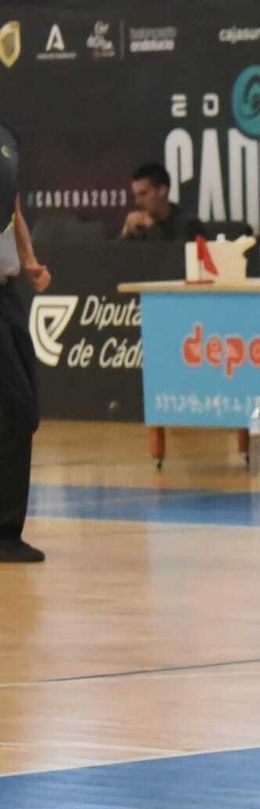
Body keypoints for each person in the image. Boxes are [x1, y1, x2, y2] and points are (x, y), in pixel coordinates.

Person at [0, 120, 50, 564]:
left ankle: (8, 531)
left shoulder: (6, 139)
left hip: (8, 293)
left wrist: (29, 259)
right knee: (13, 407)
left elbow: (12, 208)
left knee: (24, 409)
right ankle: (4, 533)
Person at [119, 163, 206, 241]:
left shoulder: (189, 225)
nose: (137, 202)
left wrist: (152, 228)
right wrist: (125, 234)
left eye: (143, 194)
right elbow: (115, 253)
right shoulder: (138, 225)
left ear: (162, 190)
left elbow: (175, 252)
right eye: (136, 195)